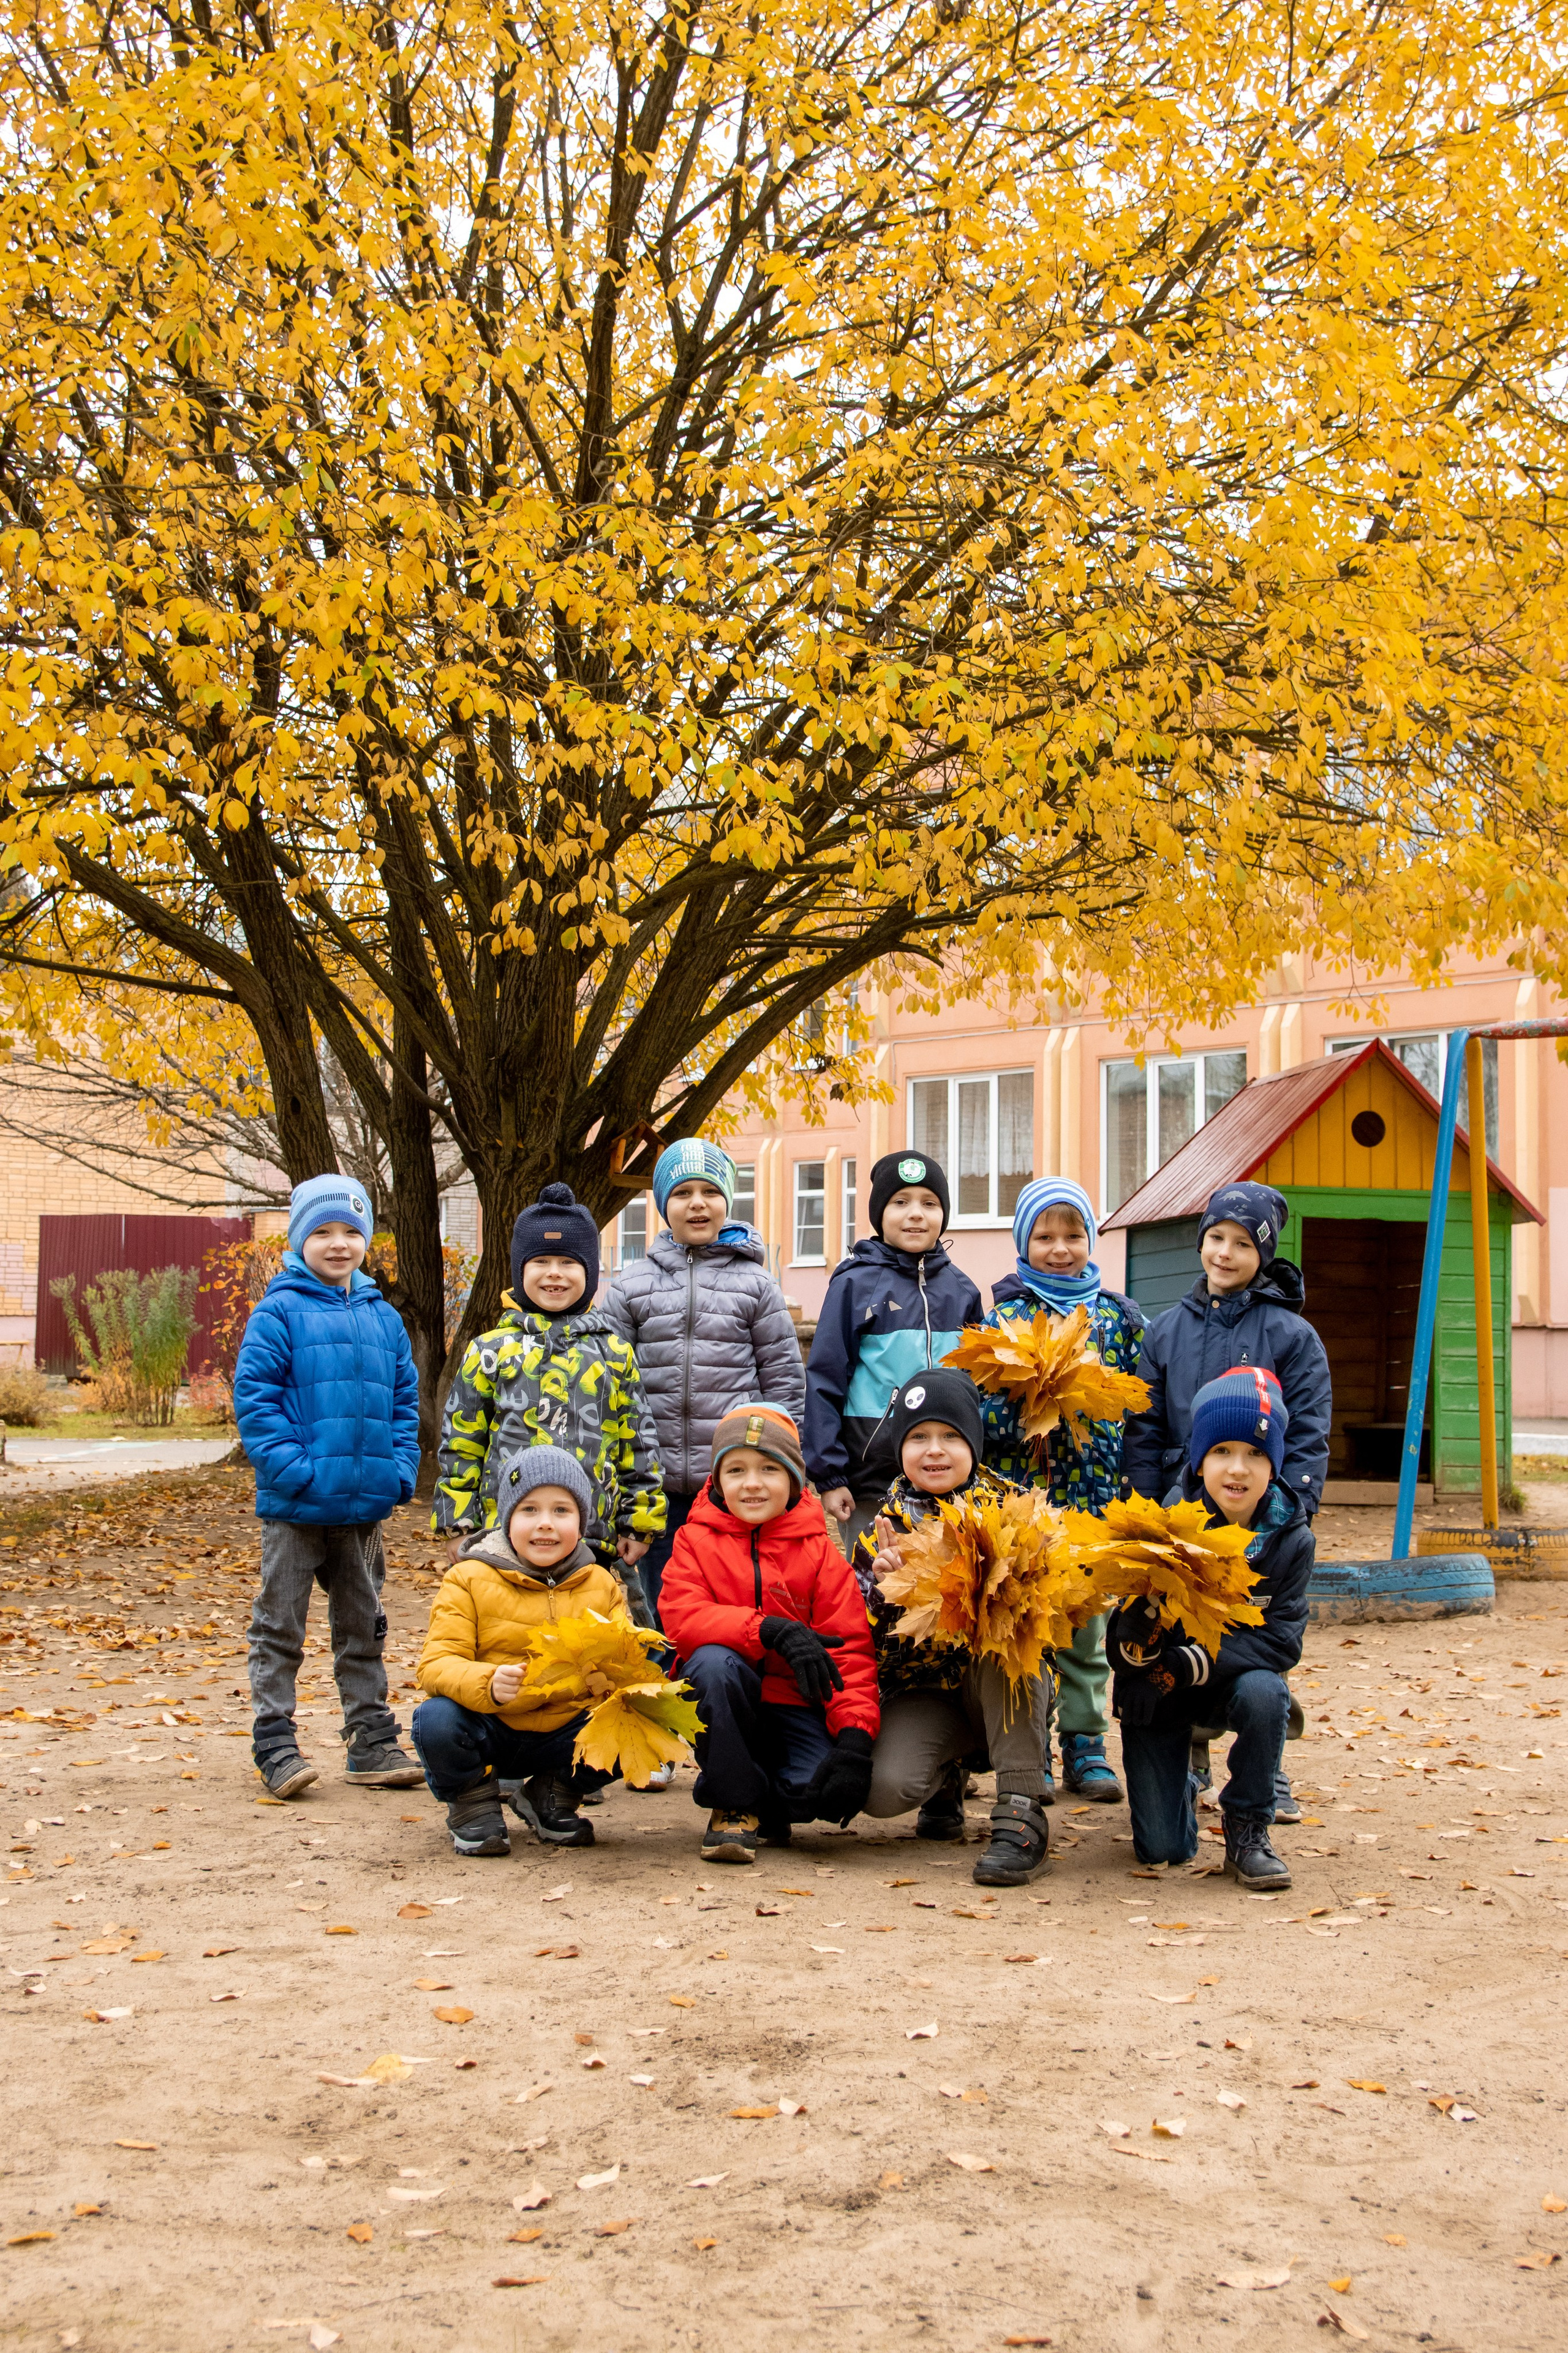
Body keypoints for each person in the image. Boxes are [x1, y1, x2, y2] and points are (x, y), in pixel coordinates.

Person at [1121, 1180, 1330, 1821]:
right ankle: (1188, 1751)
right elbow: (1145, 1425)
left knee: (1253, 1635)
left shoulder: (1291, 1335)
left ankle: (1264, 1765)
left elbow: (1309, 1430)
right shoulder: (1167, 1330)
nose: (1224, 1253)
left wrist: (1289, 1506)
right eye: (1215, 1238)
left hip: (1258, 1517)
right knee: (1179, 1630)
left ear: (1262, 1255)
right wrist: (1145, 1511)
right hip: (1182, 1513)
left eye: (1242, 1243)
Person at [233, 1174, 423, 1798]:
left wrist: (399, 1470)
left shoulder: (383, 1318)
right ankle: (275, 1742)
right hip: (295, 1507)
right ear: (298, 1239)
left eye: (350, 1231)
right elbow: (256, 1403)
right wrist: (295, 1471)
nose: (338, 1243)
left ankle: (370, 1739)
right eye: (322, 1231)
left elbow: (403, 1402)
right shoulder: (278, 1312)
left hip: (364, 1507)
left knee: (363, 1625)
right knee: (280, 1624)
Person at [1106, 1367, 1312, 1891]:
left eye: (1256, 1454)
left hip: (1232, 1681)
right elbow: (1120, 1647)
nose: (1237, 1469)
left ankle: (1248, 1827)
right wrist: (1136, 1643)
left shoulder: (1291, 1538)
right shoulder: (1162, 1527)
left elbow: (1280, 1639)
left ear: (1275, 1464)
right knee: (1164, 1849)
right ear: (1199, 1459)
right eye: (1222, 1451)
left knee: (1269, 1693)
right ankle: (1183, 1775)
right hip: (1163, 1690)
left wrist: (1193, 1658)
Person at [979, 1176, 1144, 1807]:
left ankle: (1086, 1740)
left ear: (1090, 1239)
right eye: (1044, 1236)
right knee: (1032, 1628)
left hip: (1094, 1499)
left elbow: (1139, 1403)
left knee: (1085, 1629)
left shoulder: (1119, 1317)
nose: (1059, 1249)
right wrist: (1027, 1403)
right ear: (1023, 1243)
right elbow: (983, 1409)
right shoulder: (1004, 1320)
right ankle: (1035, 1749)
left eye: (1072, 1235)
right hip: (1025, 1501)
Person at [432, 1183, 665, 1624]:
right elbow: (461, 1442)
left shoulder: (614, 1352)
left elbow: (640, 1444)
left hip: (592, 1534)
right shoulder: (491, 1351)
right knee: (510, 1633)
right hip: (506, 1533)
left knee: (598, 1640)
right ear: (520, 1269)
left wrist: (640, 1522)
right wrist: (458, 1522)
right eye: (540, 1262)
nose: (554, 1274)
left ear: (590, 1272)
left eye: (568, 1263)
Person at [658, 1403, 880, 1863]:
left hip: (793, 1701)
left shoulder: (819, 1553)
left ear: (795, 1480)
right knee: (713, 1663)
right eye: (736, 1469)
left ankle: (767, 1797)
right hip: (723, 1695)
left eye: (769, 1469)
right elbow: (682, 1618)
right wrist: (767, 1630)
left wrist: (855, 1741)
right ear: (718, 1480)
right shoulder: (694, 1540)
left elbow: (850, 1653)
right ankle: (734, 1803)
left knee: (814, 1790)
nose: (752, 1483)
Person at [853, 1369, 1051, 1886]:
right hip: (923, 1689)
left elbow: (1052, 1620)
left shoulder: (1016, 1511)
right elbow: (862, 1645)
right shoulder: (882, 1530)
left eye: (949, 1436)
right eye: (918, 1437)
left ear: (973, 1444)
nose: (933, 1450)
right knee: (882, 1789)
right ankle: (946, 1777)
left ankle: (1021, 1806)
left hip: (1000, 1681)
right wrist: (884, 1595)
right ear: (899, 1447)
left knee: (1009, 1652)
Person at [601, 1138, 805, 1629]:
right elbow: (608, 1387)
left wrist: (787, 1466)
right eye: (682, 1192)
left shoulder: (756, 1285)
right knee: (658, 1606)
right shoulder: (631, 1286)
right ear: (662, 1205)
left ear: (727, 1202)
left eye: (710, 1191)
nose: (697, 1202)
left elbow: (783, 1381)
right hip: (654, 1486)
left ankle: (723, 1692)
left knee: (731, 1600)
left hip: (731, 1484)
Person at [413, 1445, 627, 1855]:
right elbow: (435, 1665)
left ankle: (554, 1792)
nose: (545, 1524)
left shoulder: (599, 1583)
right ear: (508, 1517)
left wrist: (610, 1680)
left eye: (561, 1511)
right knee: (435, 1720)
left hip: (565, 1731)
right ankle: (473, 1801)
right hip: (491, 1726)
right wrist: (486, 1682)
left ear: (582, 1522)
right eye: (530, 1510)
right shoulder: (469, 1578)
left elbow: (621, 1664)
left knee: (639, 1716)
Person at [804, 1150, 982, 1550]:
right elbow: (825, 1379)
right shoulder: (853, 1285)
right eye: (900, 1202)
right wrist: (830, 1476)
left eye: (929, 1203)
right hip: (873, 1483)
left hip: (946, 1480)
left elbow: (976, 1387)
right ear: (879, 1214)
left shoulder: (963, 1291)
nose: (915, 1214)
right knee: (878, 1591)